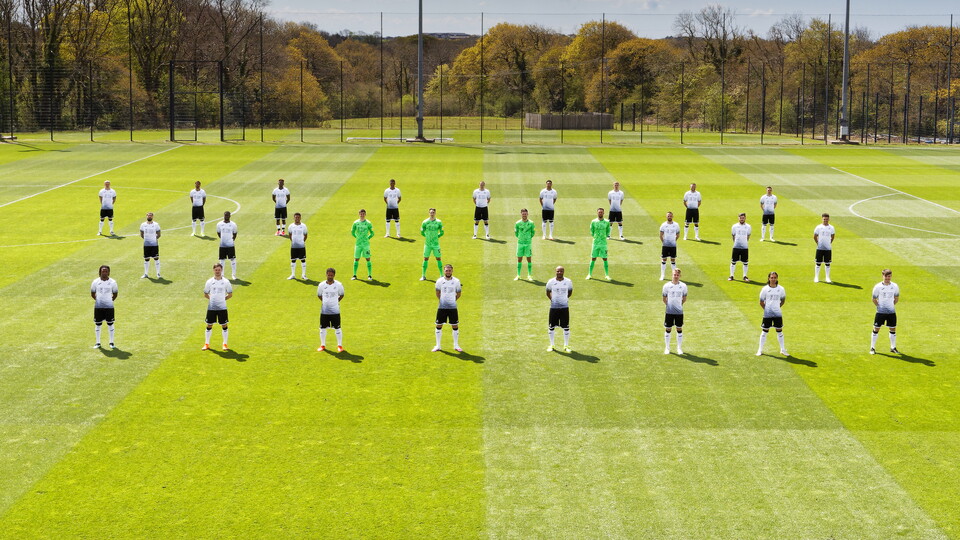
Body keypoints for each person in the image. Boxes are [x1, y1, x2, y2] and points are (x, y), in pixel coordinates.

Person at [202, 263, 233, 351]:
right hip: (211, 307)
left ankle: (225, 344)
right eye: (216, 270)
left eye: (219, 270)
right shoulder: (209, 282)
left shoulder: (226, 282)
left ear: (221, 270)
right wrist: (212, 300)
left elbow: (230, 294)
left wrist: (223, 299)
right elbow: (205, 294)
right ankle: (206, 344)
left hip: (222, 307)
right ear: (213, 270)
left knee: (224, 325)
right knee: (209, 325)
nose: (217, 271)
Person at [757, 271, 788, 357]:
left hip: (777, 313)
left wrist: (776, 308)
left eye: (775, 278)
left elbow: (783, 300)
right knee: (764, 331)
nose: (773, 279)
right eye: (772, 278)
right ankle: (760, 350)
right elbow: (761, 302)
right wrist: (767, 309)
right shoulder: (765, 289)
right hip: (767, 314)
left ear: (777, 278)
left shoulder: (781, 289)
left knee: (779, 331)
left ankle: (783, 349)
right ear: (769, 278)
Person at [433, 264, 462, 352]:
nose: (448, 272)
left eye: (449, 270)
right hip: (442, 307)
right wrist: (443, 300)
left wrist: (452, 300)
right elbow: (437, 292)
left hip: (452, 307)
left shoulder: (456, 281)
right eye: (446, 270)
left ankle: (456, 345)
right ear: (444, 271)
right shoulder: (439, 281)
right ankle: (438, 345)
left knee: (455, 325)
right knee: (439, 325)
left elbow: (459, 294)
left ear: (452, 271)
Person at [871, 269, 900, 355]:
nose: (887, 278)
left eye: (889, 276)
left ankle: (893, 347)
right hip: (880, 312)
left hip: (891, 312)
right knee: (876, 329)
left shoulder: (895, 286)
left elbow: (896, 298)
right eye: (886, 276)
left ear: (891, 276)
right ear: (882, 276)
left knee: (893, 329)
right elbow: (874, 299)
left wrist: (891, 305)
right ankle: (872, 348)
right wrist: (879, 306)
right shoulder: (877, 287)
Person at [545, 265, 573, 352]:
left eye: (561, 271)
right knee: (551, 327)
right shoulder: (551, 282)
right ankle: (552, 345)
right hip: (554, 307)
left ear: (563, 272)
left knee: (566, 327)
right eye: (558, 271)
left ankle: (566, 345)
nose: (559, 272)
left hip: (564, 307)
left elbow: (570, 292)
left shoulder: (568, 282)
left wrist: (564, 299)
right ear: (555, 272)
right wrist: (553, 300)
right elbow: (547, 292)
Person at [317, 267, 346, 352]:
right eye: (328, 275)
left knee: (338, 329)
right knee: (322, 328)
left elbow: (342, 294)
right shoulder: (321, 285)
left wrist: (335, 302)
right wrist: (325, 302)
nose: (330, 276)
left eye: (331, 275)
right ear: (326, 275)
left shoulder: (339, 285)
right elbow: (319, 295)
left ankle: (340, 346)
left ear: (334, 275)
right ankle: (322, 345)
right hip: (324, 311)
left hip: (335, 311)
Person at [90, 265, 118, 349]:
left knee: (110, 324)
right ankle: (98, 343)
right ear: (100, 272)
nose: (104, 273)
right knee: (98, 324)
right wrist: (99, 300)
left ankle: (111, 342)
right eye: (103, 271)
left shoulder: (113, 282)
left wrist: (109, 301)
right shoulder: (95, 282)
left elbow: (115, 294)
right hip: (98, 307)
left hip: (109, 307)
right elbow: (92, 293)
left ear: (108, 272)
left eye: (106, 271)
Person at [662, 268, 688, 355]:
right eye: (674, 275)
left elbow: (684, 298)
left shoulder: (683, 286)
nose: (676, 276)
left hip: (679, 312)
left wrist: (679, 305)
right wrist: (669, 306)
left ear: (680, 276)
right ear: (672, 275)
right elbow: (664, 299)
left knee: (679, 328)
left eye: (677, 275)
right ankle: (667, 348)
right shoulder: (666, 286)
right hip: (669, 311)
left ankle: (679, 348)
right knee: (668, 329)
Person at [587, 207, 611, 280]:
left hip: (603, 244)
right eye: (599, 212)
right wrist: (596, 237)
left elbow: (608, 231)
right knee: (593, 258)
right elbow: (591, 231)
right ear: (597, 213)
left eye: (601, 212)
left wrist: (603, 237)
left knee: (605, 258)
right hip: (595, 243)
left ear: (603, 213)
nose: (600, 213)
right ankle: (589, 274)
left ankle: (607, 275)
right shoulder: (593, 221)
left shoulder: (607, 222)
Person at [420, 208, 444, 281]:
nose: (432, 214)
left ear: (435, 213)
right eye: (431, 212)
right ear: (429, 213)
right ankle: (423, 275)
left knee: (438, 258)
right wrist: (427, 236)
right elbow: (422, 232)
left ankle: (441, 275)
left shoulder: (439, 222)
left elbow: (442, 232)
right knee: (425, 258)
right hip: (427, 244)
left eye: (433, 212)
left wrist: (437, 236)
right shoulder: (425, 222)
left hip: (436, 244)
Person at [351, 209, 374, 280]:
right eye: (361, 214)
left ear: (365, 214)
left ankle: (369, 275)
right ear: (359, 214)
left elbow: (372, 233)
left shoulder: (368, 223)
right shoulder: (355, 223)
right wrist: (357, 237)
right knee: (356, 259)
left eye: (363, 214)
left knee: (368, 258)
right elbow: (352, 232)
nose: (362, 215)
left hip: (366, 245)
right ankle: (354, 275)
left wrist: (367, 238)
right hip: (358, 244)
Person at [813, 213, 836, 283]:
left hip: (828, 248)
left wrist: (829, 242)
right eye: (824, 219)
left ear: (829, 219)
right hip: (819, 248)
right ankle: (816, 277)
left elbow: (833, 236)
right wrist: (818, 243)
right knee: (818, 263)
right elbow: (815, 236)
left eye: (827, 219)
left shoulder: (831, 228)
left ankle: (827, 278)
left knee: (827, 263)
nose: (825, 220)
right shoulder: (818, 227)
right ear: (822, 219)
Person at [514, 208, 535, 280]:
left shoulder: (531, 223)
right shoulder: (517, 223)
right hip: (520, 243)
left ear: (527, 214)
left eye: (525, 214)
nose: (524, 215)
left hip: (528, 243)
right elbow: (516, 233)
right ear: (521, 214)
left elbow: (533, 232)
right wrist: (521, 238)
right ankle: (518, 275)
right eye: (523, 214)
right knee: (519, 259)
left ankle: (529, 275)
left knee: (529, 259)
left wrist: (528, 238)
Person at [659, 211, 681, 280]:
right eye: (668, 216)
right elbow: (661, 235)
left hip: (673, 245)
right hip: (665, 245)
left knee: (673, 260)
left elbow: (678, 235)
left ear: (672, 216)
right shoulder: (663, 225)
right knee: (664, 259)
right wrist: (664, 242)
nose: (669, 217)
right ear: (666, 217)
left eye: (670, 216)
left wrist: (674, 240)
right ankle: (662, 275)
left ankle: (674, 275)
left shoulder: (676, 225)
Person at [217, 211, 238, 280]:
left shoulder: (233, 224)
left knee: (233, 260)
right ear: (224, 215)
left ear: (230, 216)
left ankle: (233, 275)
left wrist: (231, 240)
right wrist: (223, 239)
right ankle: (222, 275)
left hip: (230, 245)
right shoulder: (219, 224)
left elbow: (235, 233)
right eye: (225, 215)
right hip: (222, 245)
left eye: (228, 215)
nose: (226, 216)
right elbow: (218, 232)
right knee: (222, 260)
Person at [139, 212, 162, 279]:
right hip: (146, 244)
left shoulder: (156, 224)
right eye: (148, 215)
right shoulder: (143, 224)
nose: (149, 217)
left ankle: (158, 274)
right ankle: (146, 274)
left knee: (156, 258)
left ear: (152, 217)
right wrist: (147, 239)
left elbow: (159, 234)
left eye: (151, 216)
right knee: (146, 259)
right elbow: (141, 233)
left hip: (154, 244)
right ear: (146, 216)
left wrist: (154, 239)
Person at [729, 212, 751, 282]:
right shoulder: (734, 226)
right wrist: (736, 242)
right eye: (740, 218)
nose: (742, 219)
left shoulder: (748, 227)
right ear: (738, 218)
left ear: (745, 218)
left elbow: (748, 236)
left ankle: (745, 276)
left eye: (743, 218)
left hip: (745, 247)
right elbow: (733, 235)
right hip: (736, 246)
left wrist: (744, 242)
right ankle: (731, 276)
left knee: (745, 262)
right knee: (733, 262)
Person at [287, 212, 308, 280]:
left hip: (301, 246)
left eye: (298, 217)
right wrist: (294, 241)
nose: (297, 219)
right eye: (296, 217)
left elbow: (305, 235)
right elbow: (290, 235)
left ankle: (303, 275)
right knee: (293, 260)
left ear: (300, 218)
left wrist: (301, 241)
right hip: (294, 246)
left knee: (303, 260)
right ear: (294, 218)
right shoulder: (291, 226)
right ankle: (293, 275)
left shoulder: (304, 226)